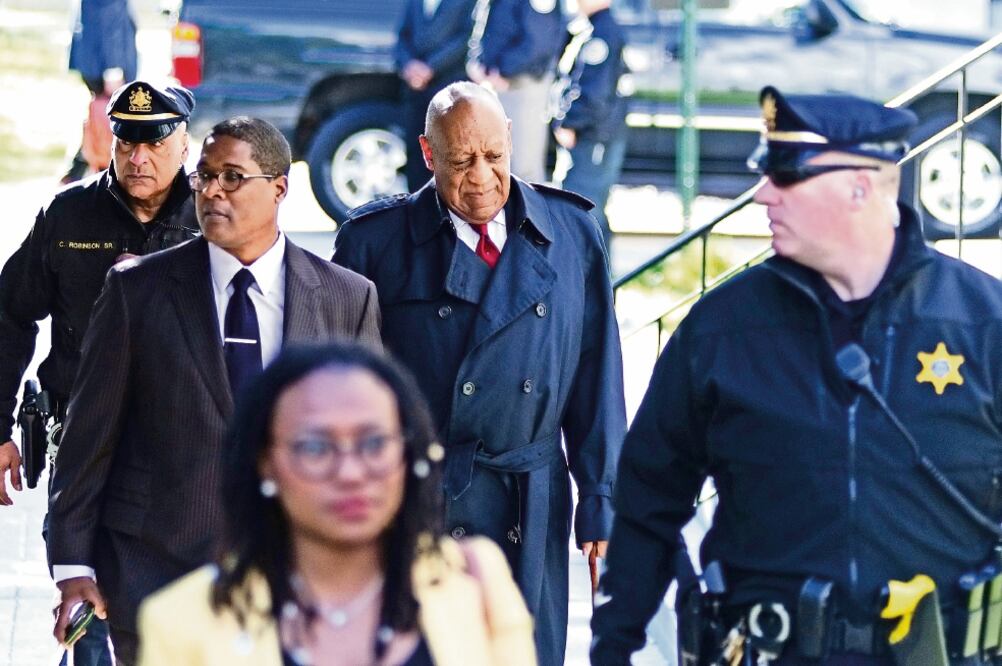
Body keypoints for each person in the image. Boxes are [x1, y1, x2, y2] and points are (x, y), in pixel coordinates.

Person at [591, 87, 1002, 665]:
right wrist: (613, 645)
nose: (763, 194)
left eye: (787, 175)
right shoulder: (721, 329)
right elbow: (647, 503)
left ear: (860, 185)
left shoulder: (984, 322)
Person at [46, 116, 382, 665]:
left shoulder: (348, 299)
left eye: (232, 177)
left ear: (279, 187)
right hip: (155, 576)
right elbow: (89, 439)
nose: (212, 192)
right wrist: (74, 568)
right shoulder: (137, 291)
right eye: (204, 177)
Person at [334, 82, 625, 666]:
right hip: (418, 502)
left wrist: (602, 501)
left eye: (494, 156)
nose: (483, 177)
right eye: (462, 160)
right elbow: (338, 393)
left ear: (512, 141)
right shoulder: (374, 243)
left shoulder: (571, 233)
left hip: (529, 498)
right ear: (427, 153)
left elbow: (598, 378)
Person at [135, 342, 536, 666]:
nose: (350, 472)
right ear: (266, 464)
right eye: (315, 447)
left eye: (375, 443)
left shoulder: (473, 580)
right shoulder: (181, 621)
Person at [0, 78, 198, 666]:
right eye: (127, 141)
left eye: (155, 143)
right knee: (86, 616)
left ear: (184, 145)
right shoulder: (69, 214)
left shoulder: (214, 217)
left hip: (185, 454)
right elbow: (8, 316)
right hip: (86, 453)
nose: (139, 157)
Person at [551, 0, 627, 249]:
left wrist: (569, 122)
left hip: (593, 137)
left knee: (583, 208)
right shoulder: (592, 29)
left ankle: (595, 283)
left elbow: (593, 91)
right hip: (593, 136)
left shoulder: (602, 32)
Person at [466, 0, 564, 183]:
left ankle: (527, 212)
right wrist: (478, 63)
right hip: (494, 85)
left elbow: (540, 41)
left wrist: (502, 70)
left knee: (522, 168)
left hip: (521, 86)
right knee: (495, 164)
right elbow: (486, 26)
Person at [394, 0, 475, 192]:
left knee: (448, 151)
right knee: (416, 152)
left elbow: (466, 38)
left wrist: (429, 68)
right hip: (415, 90)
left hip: (448, 88)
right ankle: (416, 205)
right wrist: (408, 66)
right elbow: (402, 36)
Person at [63, 0, 139, 182]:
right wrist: (113, 69)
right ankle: (84, 177)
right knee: (109, 124)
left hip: (95, 59)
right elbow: (108, 18)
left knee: (102, 123)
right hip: (104, 64)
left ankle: (76, 173)